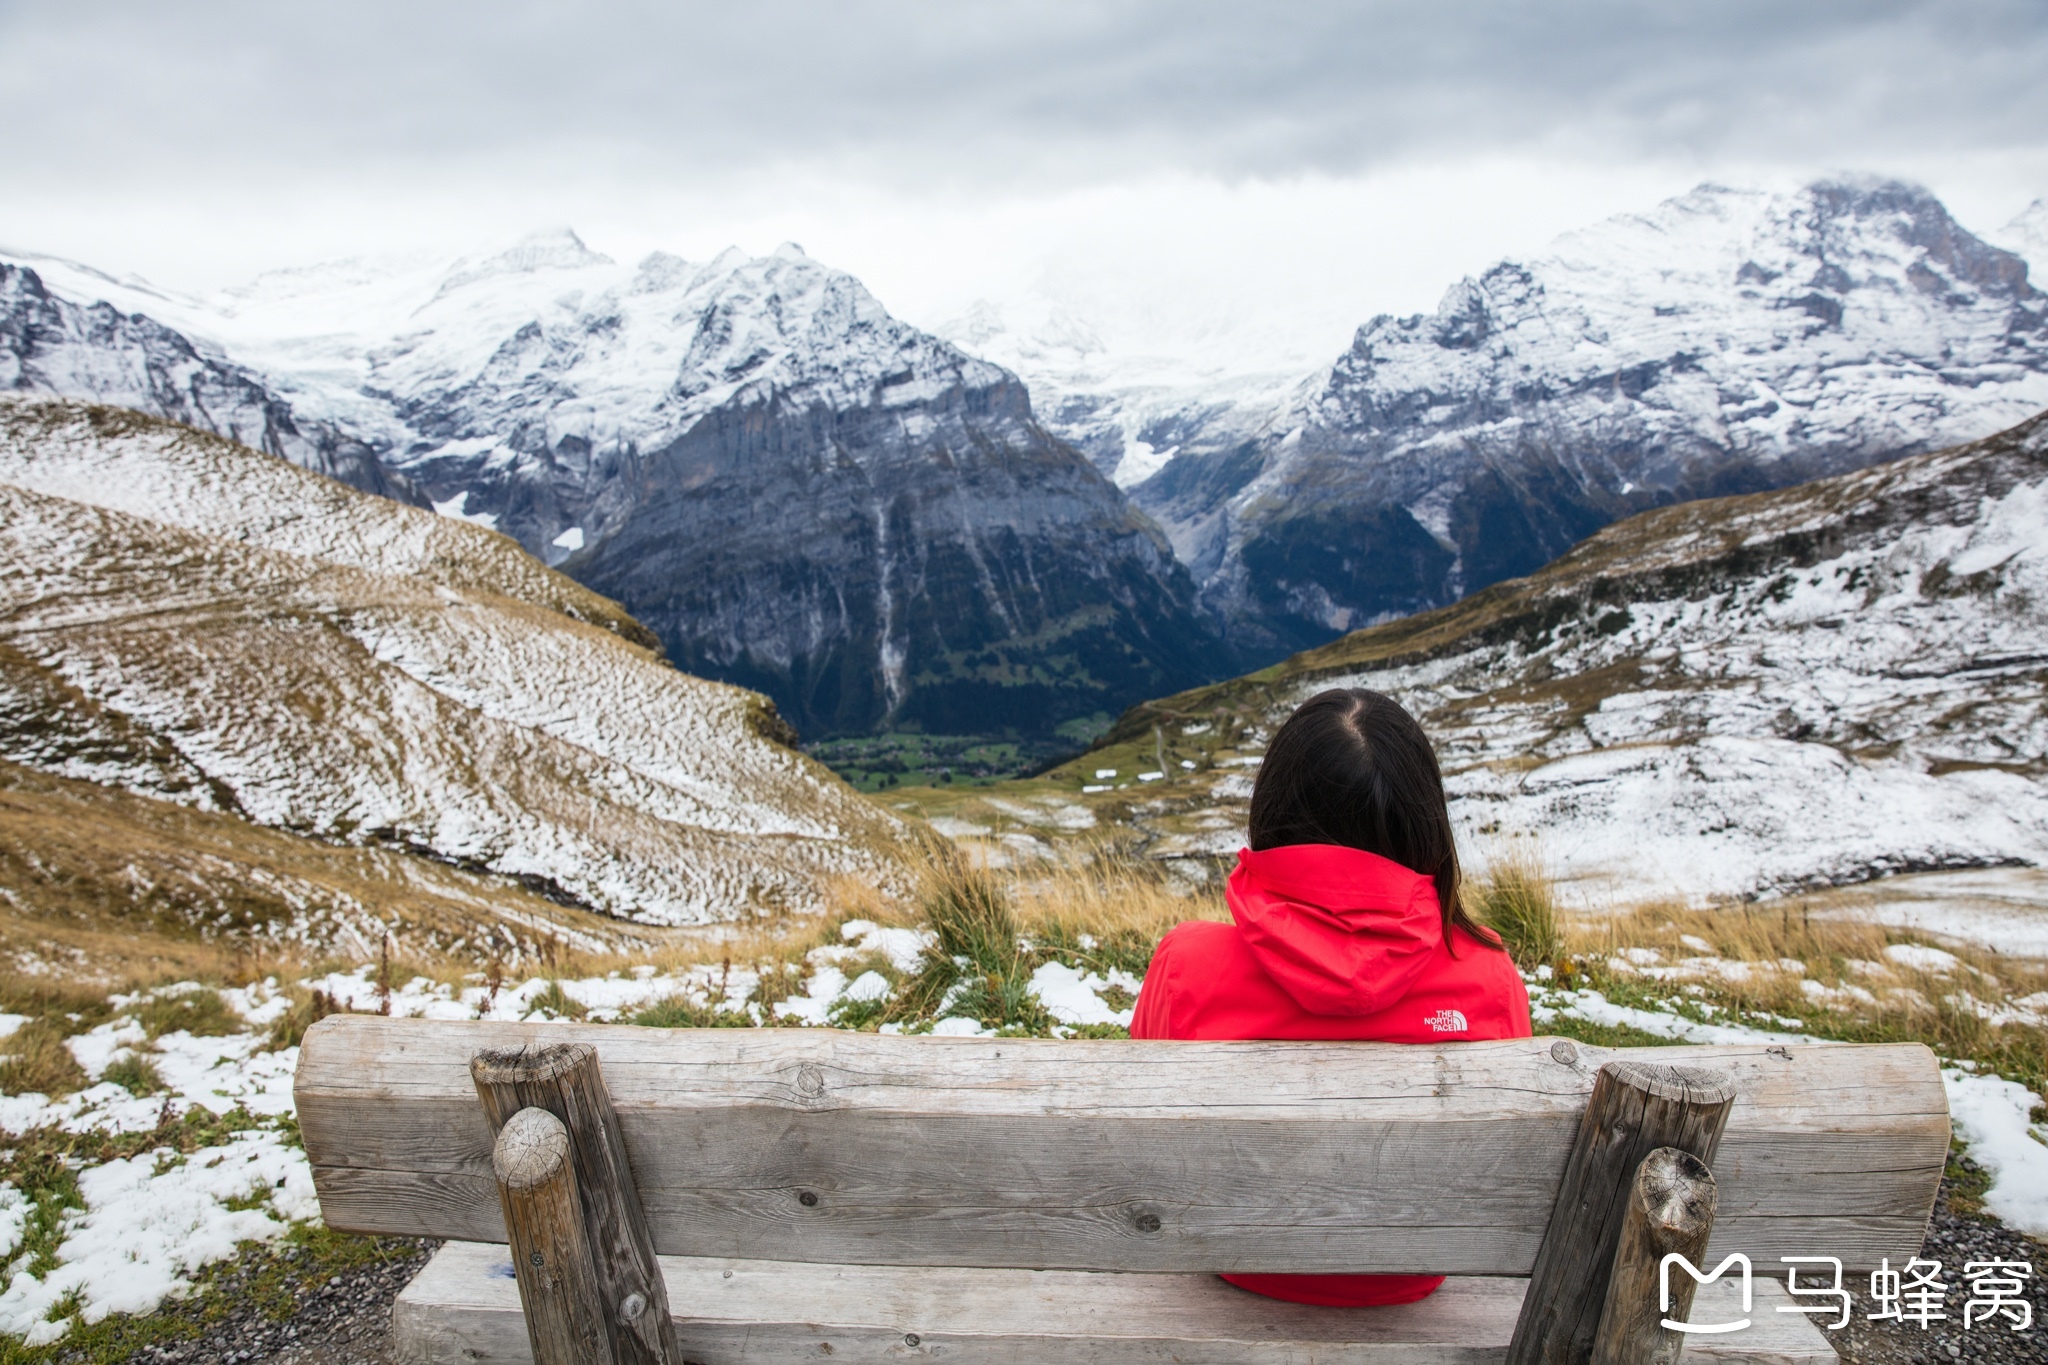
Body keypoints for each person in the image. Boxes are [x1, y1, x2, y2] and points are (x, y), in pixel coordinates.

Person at [1129, 687, 1531, 1308]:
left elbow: (1143, 1148)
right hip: (1413, 1277)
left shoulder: (1186, 965)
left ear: (1273, 814)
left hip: (1240, 1267)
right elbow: (1509, 1172)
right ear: (1424, 828)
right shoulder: (1487, 978)